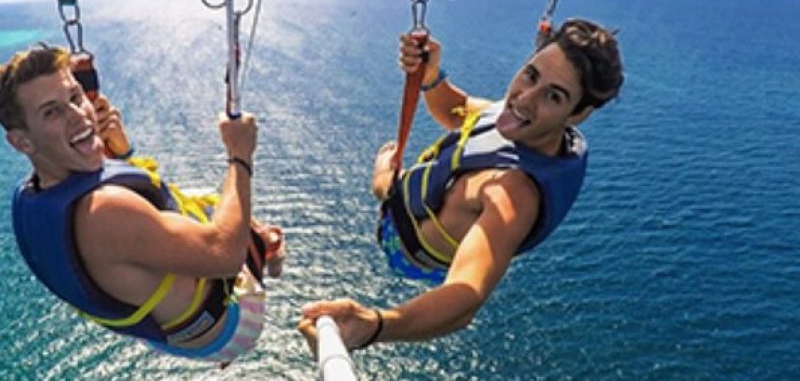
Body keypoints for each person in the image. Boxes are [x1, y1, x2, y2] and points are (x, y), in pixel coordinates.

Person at [298, 18, 623, 350]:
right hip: (425, 206)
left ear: (578, 115)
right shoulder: (511, 117)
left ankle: (383, 184)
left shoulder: (512, 195)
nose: (524, 99)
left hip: (405, 244)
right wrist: (431, 76)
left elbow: (466, 295)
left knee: (385, 182)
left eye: (553, 96)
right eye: (531, 74)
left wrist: (377, 325)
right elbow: (458, 112)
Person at [1, 44, 285, 365]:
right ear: (21, 141)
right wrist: (240, 154)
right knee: (256, 229)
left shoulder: (33, 192)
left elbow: (125, 223)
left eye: (75, 96)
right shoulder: (104, 215)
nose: (79, 114)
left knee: (201, 201)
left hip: (165, 332)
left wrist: (122, 157)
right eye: (51, 111)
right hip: (229, 327)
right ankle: (270, 254)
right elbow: (226, 255)